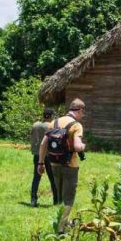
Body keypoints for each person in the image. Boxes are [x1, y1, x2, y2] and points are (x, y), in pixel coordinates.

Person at [37, 98, 86, 233]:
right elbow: (77, 146)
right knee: (68, 198)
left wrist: (40, 163)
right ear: (80, 110)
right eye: (83, 113)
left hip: (54, 164)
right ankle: (60, 229)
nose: (82, 115)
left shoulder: (54, 122)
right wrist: (82, 146)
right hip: (70, 165)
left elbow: (43, 144)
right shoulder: (76, 125)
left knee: (59, 196)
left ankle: (64, 222)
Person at [29, 108, 57, 207]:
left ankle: (33, 200)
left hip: (37, 154)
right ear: (51, 116)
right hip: (49, 155)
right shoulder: (52, 126)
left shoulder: (35, 125)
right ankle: (56, 200)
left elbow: (32, 138)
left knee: (36, 177)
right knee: (53, 178)